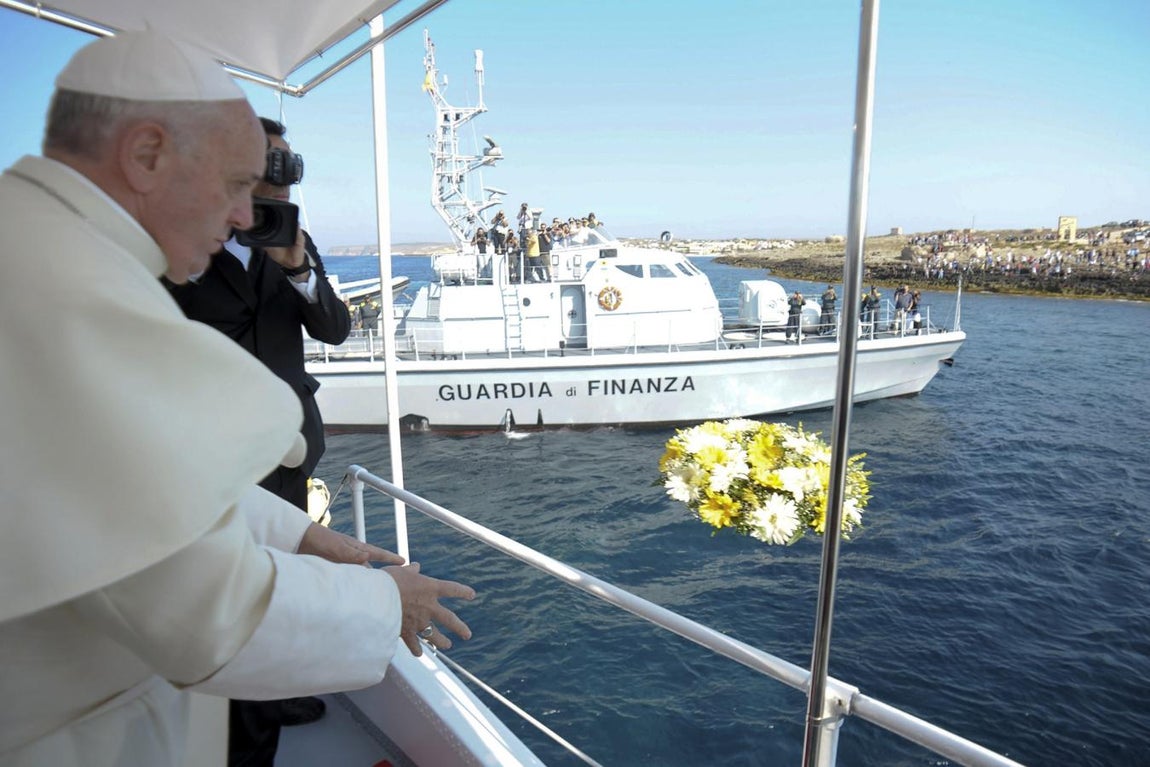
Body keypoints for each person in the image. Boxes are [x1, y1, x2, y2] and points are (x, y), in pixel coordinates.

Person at [0, 30, 473, 767]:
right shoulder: (59, 297)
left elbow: (137, 480)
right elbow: (207, 613)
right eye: (233, 184)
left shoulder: (46, 252)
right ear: (147, 156)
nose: (248, 217)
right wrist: (390, 602)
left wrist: (304, 535)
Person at [164, 117, 352, 764]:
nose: (276, 180)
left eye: (283, 166)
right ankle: (243, 735)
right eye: (263, 166)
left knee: (286, 585)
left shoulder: (294, 238)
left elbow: (335, 328)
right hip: (217, 458)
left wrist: (296, 264)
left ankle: (272, 694)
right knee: (235, 595)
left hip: (293, 449)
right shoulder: (185, 244)